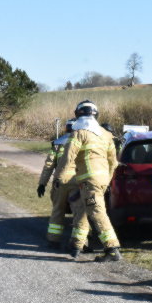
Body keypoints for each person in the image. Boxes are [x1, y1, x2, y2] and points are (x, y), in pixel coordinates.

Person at [57, 100, 121, 262]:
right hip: (101, 180)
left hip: (88, 180)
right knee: (84, 210)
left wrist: (59, 176)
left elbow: (67, 157)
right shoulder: (106, 135)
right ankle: (77, 245)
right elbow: (113, 162)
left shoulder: (79, 134)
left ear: (78, 115)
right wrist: (107, 180)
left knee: (97, 212)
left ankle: (112, 248)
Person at [37, 118, 76, 248]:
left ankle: (53, 241)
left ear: (66, 128)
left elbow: (48, 166)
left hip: (59, 183)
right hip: (78, 184)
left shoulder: (57, 144)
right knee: (80, 214)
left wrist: (42, 184)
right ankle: (80, 243)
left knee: (58, 211)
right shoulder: (84, 142)